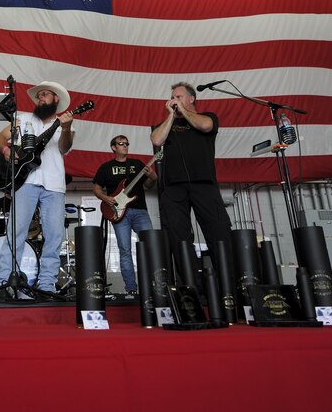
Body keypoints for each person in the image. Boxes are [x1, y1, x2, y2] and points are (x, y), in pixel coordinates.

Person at [0, 81, 75, 295]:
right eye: (39, 95)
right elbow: (0, 137)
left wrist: (65, 128)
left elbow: (64, 148)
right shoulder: (23, 118)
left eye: (45, 94)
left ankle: (47, 284)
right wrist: (6, 149)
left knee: (54, 235)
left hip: (55, 184)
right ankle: (5, 280)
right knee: (16, 231)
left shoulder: (64, 123)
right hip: (26, 181)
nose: (41, 97)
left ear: (56, 99)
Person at [150, 82, 232, 284]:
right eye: (172, 97)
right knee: (179, 237)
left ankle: (227, 285)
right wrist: (171, 115)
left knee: (218, 231)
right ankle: (191, 286)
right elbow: (156, 140)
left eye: (178, 97)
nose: (174, 100)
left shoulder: (207, 117)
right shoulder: (165, 124)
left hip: (203, 183)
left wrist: (183, 111)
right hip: (173, 187)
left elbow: (205, 126)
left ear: (191, 99)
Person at [92, 135, 157, 296]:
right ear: (113, 147)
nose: (125, 146)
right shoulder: (106, 167)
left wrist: (153, 177)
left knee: (151, 245)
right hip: (119, 212)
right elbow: (97, 188)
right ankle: (131, 289)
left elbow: (148, 186)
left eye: (127, 143)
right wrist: (106, 198)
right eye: (121, 144)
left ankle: (154, 287)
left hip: (140, 210)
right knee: (125, 250)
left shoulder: (137, 164)